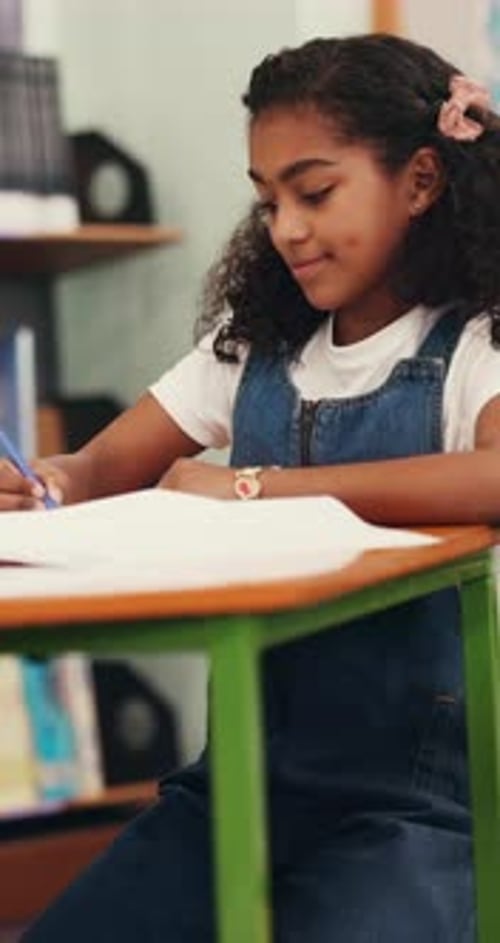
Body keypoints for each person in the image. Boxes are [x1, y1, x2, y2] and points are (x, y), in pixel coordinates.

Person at [6, 31, 500, 943]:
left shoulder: (470, 342)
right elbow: (98, 468)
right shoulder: (255, 345)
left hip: (408, 812)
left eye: (314, 192)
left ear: (423, 181)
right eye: (268, 200)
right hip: (231, 790)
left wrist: (255, 488)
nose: (286, 228)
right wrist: (44, 483)